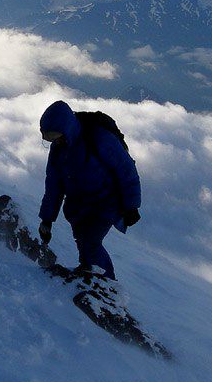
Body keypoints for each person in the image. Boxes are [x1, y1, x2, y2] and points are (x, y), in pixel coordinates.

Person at [37, 100, 141, 280]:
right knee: (84, 244)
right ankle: (93, 277)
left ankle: (105, 284)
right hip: (78, 206)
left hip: (106, 202)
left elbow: (127, 172)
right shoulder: (58, 149)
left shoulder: (99, 139)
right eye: (49, 137)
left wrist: (131, 207)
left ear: (66, 127)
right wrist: (47, 219)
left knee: (90, 243)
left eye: (54, 135)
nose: (54, 140)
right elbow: (54, 185)